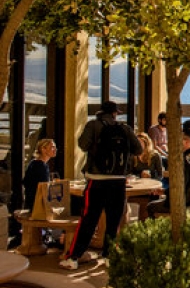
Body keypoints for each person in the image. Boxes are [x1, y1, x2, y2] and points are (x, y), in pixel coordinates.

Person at [61, 101, 143, 270]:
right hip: (119, 180)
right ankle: (109, 255)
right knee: (113, 221)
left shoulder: (93, 125)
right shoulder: (125, 128)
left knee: (88, 219)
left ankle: (73, 258)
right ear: (115, 113)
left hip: (96, 180)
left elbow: (83, 145)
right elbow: (138, 150)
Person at [147, 128, 190, 218]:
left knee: (150, 207)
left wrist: (164, 191)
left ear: (186, 142)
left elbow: (180, 187)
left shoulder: (185, 160)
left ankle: (158, 230)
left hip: (183, 203)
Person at [128, 133, 165, 221]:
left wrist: (151, 176)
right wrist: (140, 175)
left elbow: (160, 175)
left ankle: (145, 223)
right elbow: (129, 173)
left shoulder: (155, 156)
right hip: (137, 186)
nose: (138, 145)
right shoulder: (133, 156)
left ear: (146, 143)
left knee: (147, 203)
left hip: (151, 188)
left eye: (140, 143)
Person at [23, 139, 56, 211]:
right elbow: (45, 188)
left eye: (55, 147)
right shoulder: (41, 166)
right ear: (43, 149)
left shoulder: (34, 162)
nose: (55, 149)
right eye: (52, 147)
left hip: (29, 203)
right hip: (37, 206)